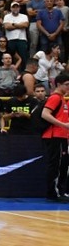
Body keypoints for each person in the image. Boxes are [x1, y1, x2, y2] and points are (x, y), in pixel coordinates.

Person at [40, 73, 69, 203]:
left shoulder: (63, 99)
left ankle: (59, 191)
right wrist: (63, 125)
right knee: (56, 165)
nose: (68, 87)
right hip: (54, 136)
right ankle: (54, 193)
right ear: (58, 84)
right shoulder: (55, 98)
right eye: (67, 85)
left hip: (61, 136)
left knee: (62, 165)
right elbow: (45, 114)